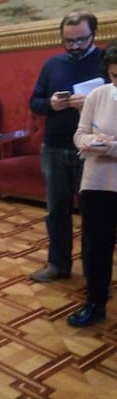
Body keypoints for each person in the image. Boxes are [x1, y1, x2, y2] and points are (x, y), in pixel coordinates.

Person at [29, 10, 106, 282]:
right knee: (57, 211)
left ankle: (94, 275)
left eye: (81, 40)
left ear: (94, 34)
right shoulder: (53, 64)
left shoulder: (107, 62)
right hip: (54, 148)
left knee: (93, 215)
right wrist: (51, 104)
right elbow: (35, 102)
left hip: (92, 150)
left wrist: (93, 102)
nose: (74, 46)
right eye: (68, 41)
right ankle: (58, 265)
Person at [67, 45, 117, 327]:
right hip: (97, 183)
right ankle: (95, 303)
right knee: (97, 247)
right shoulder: (98, 95)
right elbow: (80, 134)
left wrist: (109, 147)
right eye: (115, 75)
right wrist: (91, 141)